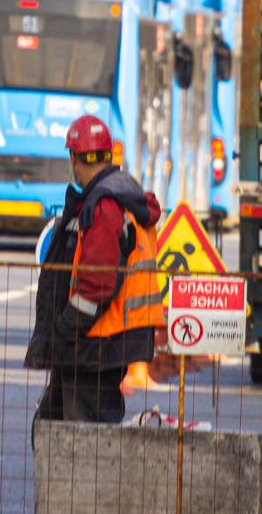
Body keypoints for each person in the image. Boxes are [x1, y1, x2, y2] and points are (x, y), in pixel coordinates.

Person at [24, 115, 164, 427]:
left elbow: (96, 283)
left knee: (88, 440)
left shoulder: (103, 206)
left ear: (73, 157)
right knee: (52, 424)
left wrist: (66, 328)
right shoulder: (123, 194)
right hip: (106, 338)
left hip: (95, 340)